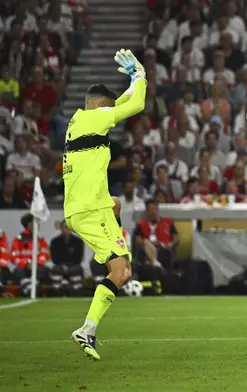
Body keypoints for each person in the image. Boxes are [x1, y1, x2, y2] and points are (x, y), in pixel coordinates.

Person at [64, 49, 147, 360]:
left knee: (124, 270)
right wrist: (138, 75)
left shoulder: (81, 119)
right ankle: (86, 329)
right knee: (118, 268)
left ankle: (90, 329)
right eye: (109, 110)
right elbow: (135, 104)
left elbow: (125, 102)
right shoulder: (95, 117)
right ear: (100, 107)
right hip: (88, 209)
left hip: (94, 205)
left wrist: (135, 80)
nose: (113, 115)